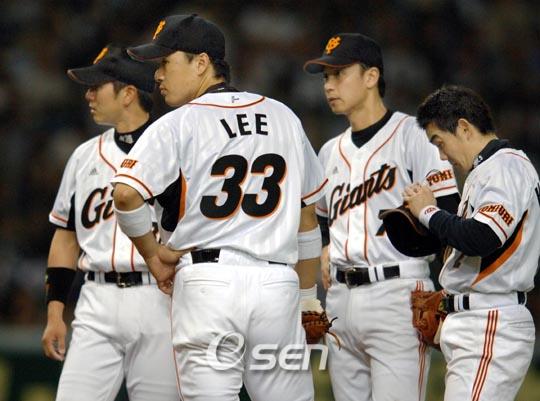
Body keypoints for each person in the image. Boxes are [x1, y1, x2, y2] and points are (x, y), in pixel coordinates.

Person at [111, 14, 328, 401]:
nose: (157, 76)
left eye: (165, 62)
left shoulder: (178, 122)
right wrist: (307, 298)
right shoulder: (284, 116)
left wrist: (153, 256)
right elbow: (307, 218)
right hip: (277, 285)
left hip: (208, 285)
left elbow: (125, 195)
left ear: (201, 63)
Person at [303, 33, 460, 401]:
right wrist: (325, 246)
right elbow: (322, 220)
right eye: (325, 77)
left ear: (371, 76)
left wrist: (450, 290)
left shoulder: (414, 136)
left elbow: (450, 211)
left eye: (339, 74)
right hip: (340, 298)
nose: (329, 85)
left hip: (397, 293)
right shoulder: (329, 152)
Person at [41, 45, 179, 401]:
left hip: (160, 299)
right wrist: (55, 313)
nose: (88, 95)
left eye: (96, 87)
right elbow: (66, 238)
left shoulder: (176, 149)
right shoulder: (84, 155)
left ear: (128, 93)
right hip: (96, 299)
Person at [403, 85, 539, 401]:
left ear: (464, 127)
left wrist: (428, 211)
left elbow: (482, 237)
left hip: (490, 319)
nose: (441, 155)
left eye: (440, 141)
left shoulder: (506, 166)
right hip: (476, 318)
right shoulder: (486, 171)